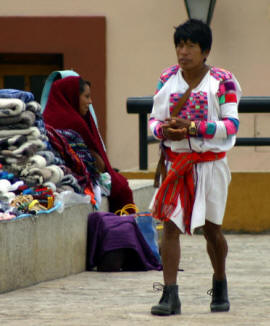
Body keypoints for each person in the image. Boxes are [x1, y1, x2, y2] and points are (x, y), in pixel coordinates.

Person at [148, 19, 241, 316]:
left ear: (205, 51)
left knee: (212, 230)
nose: (183, 52)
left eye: (190, 46)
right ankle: (170, 294)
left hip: (211, 165)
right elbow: (153, 120)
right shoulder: (167, 78)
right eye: (179, 45)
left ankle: (220, 282)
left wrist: (193, 128)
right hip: (177, 165)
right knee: (170, 227)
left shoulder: (223, 81)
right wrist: (166, 132)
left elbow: (231, 125)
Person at [43, 75, 135, 213]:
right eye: (86, 96)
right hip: (74, 178)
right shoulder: (74, 122)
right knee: (121, 187)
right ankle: (123, 229)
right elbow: (97, 165)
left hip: (51, 176)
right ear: (73, 97)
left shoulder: (46, 118)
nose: (90, 102)